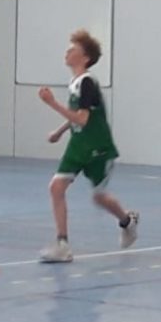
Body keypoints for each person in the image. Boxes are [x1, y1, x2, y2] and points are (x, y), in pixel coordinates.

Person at [36, 30, 139, 264]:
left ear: (85, 57)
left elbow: (82, 119)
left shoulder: (87, 83)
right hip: (78, 144)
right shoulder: (75, 83)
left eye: (73, 49)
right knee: (56, 187)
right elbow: (78, 115)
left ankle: (127, 221)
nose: (67, 51)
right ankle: (62, 245)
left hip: (97, 146)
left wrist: (52, 103)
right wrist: (60, 131)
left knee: (99, 197)